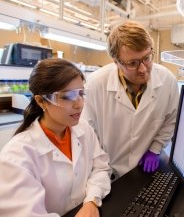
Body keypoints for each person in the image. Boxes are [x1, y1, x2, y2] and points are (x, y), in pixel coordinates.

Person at [0, 58, 111, 217]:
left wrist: (91, 201)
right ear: (41, 101)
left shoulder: (83, 129)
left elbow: (101, 168)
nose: (79, 104)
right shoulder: (17, 155)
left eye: (81, 93)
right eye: (67, 96)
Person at [82, 20, 179, 178]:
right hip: (107, 170)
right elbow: (88, 132)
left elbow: (171, 120)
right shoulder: (95, 84)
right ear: (116, 62)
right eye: (132, 63)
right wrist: (100, 169)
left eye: (147, 58)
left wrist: (155, 149)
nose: (143, 69)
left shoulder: (167, 80)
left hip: (145, 167)